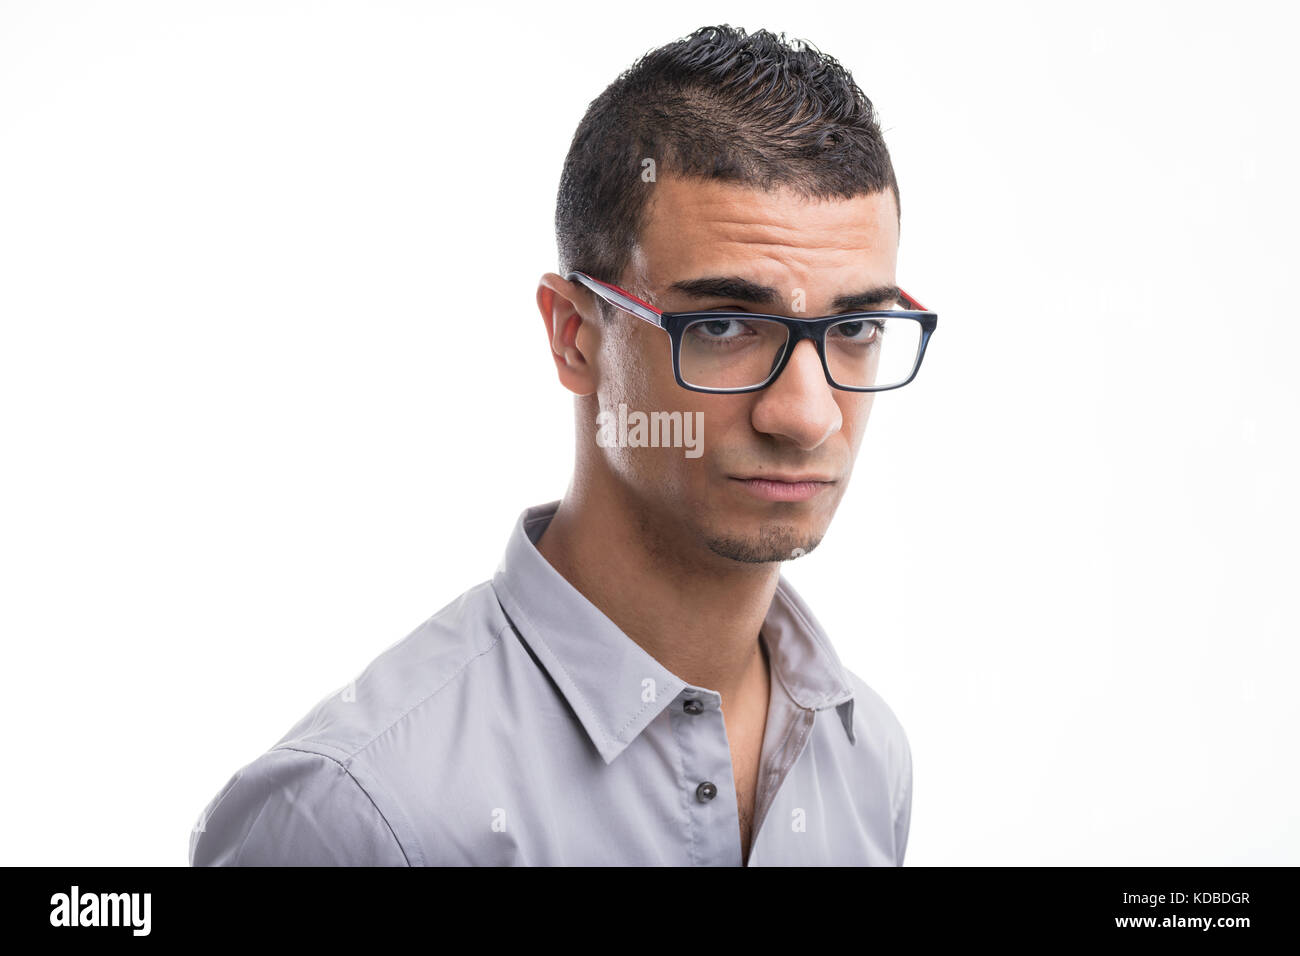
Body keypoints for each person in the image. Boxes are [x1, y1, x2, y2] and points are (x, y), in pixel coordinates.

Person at [189, 23, 936, 867]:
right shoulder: (353, 816)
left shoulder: (867, 759)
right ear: (575, 335)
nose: (808, 416)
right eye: (725, 324)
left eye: (857, 326)